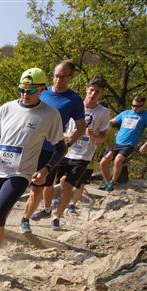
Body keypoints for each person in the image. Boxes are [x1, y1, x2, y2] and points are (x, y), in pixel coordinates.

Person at [0, 68, 65, 291]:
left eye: (30, 91)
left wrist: (46, 169)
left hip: (20, 173)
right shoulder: (7, 108)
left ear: (42, 89)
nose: (25, 94)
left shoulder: (50, 115)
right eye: (21, 90)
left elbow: (60, 148)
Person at [21, 60, 85, 233]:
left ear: (70, 77)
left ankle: (25, 219)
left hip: (49, 150)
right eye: (56, 76)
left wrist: (68, 143)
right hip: (27, 146)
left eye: (63, 76)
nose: (58, 80)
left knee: (37, 187)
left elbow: (81, 127)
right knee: (19, 183)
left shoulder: (74, 99)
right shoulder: (42, 91)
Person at [52, 76, 111, 225]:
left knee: (68, 185)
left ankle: (57, 217)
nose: (93, 94)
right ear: (86, 89)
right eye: (91, 90)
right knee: (60, 181)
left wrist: (94, 135)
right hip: (65, 149)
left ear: (101, 94)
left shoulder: (103, 112)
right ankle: (53, 206)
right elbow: (57, 128)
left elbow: (103, 138)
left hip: (83, 155)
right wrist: (66, 135)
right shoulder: (73, 104)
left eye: (97, 92)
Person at [99, 95, 147, 191]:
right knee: (103, 162)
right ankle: (107, 183)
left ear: (143, 106)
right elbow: (111, 122)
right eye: (133, 105)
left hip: (129, 144)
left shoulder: (145, 116)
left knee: (118, 160)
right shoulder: (126, 113)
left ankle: (113, 182)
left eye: (137, 106)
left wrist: (145, 145)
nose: (134, 108)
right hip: (116, 142)